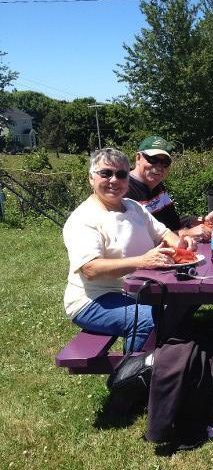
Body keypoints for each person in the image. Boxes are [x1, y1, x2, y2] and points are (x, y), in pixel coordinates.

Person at [63, 147, 196, 352]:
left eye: (121, 174)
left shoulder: (133, 207)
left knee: (185, 304)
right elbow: (90, 269)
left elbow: (163, 233)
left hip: (138, 291)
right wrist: (141, 261)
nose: (114, 180)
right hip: (95, 299)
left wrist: (181, 244)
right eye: (106, 173)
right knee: (148, 320)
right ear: (91, 178)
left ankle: (168, 362)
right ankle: (132, 376)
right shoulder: (84, 218)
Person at [127, 135, 213, 240]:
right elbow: (141, 240)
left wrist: (204, 219)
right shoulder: (124, 189)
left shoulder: (158, 185)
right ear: (138, 158)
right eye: (152, 159)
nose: (159, 167)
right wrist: (185, 233)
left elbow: (173, 222)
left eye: (165, 162)